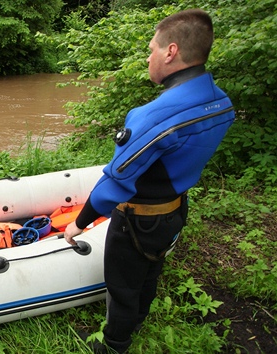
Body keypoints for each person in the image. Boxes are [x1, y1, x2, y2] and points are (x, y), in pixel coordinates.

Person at [63, 9, 235, 353]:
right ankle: (138, 320)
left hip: (138, 221)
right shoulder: (220, 102)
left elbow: (116, 182)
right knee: (149, 273)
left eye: (152, 48)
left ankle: (114, 344)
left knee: (122, 284)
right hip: (174, 210)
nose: (148, 56)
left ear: (171, 52)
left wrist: (78, 224)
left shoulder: (154, 116)